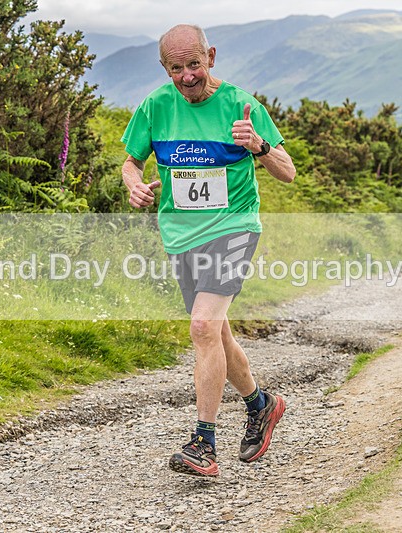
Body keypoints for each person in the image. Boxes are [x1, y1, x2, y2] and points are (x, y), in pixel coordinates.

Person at [120, 24, 295, 477]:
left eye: (193, 64)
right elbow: (131, 161)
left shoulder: (241, 105)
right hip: (182, 235)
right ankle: (261, 405)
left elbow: (287, 171)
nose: (186, 76)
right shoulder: (155, 107)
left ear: (211, 56)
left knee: (201, 325)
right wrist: (135, 184)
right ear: (165, 68)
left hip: (234, 226)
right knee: (216, 333)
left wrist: (257, 146)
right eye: (176, 68)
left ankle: (204, 443)